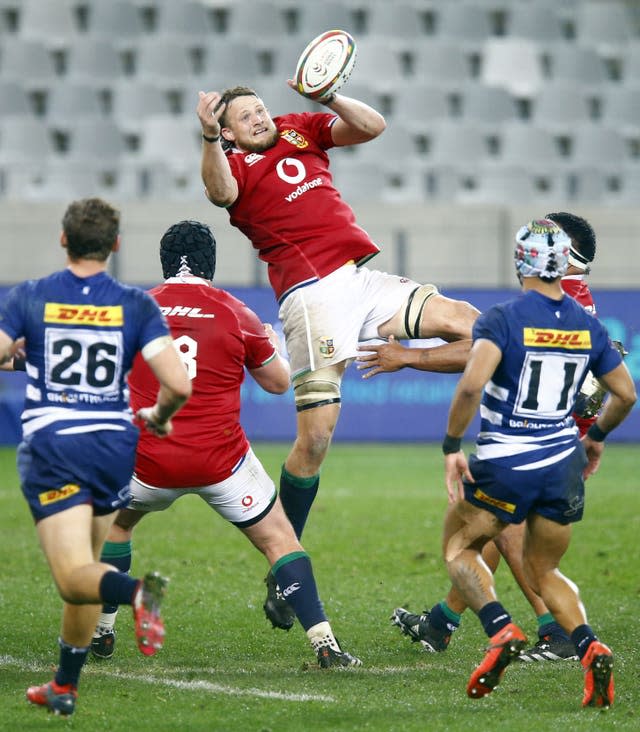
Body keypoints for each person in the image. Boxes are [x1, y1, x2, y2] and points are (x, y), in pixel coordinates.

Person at [196, 84, 479, 630]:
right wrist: (209, 137)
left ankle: (421, 356)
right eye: (245, 117)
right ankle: (286, 564)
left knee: (470, 322)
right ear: (227, 131)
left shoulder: (301, 126)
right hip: (311, 293)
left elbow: (372, 127)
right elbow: (218, 192)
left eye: (260, 108)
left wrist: (331, 96)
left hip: (360, 278)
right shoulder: (230, 163)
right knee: (317, 438)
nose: (259, 118)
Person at [90, 220, 361, 669]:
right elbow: (276, 383)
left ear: (164, 263)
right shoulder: (235, 312)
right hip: (221, 463)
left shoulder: (135, 309)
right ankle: (325, 643)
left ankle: (102, 632)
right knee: (280, 539)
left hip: (148, 461)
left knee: (117, 527)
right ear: (211, 265)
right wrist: (272, 343)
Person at [361, 212, 610, 662]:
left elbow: (478, 358)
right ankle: (441, 624)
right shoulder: (577, 302)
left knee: (493, 530)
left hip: (528, 436)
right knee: (487, 533)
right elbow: (618, 387)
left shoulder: (547, 302)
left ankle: (555, 630)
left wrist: (408, 357)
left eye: (545, 239)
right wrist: (595, 434)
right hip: (556, 438)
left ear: (564, 253)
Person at [0, 198, 191, 717]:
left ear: (63, 240)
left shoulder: (33, 297)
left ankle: (138, 593)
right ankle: (65, 685)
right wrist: (159, 414)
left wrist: (25, 353)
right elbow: (177, 384)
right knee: (85, 571)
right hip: (112, 448)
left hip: (56, 448)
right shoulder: (136, 304)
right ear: (115, 245)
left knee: (71, 576)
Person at [439, 218, 635, 706]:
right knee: (545, 570)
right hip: (562, 462)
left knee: (460, 548)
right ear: (564, 263)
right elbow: (626, 394)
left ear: (521, 261)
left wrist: (450, 446)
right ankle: (590, 648)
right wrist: (597, 438)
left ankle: (501, 630)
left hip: (506, 460)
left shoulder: (503, 317)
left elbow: (470, 384)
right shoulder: (589, 325)